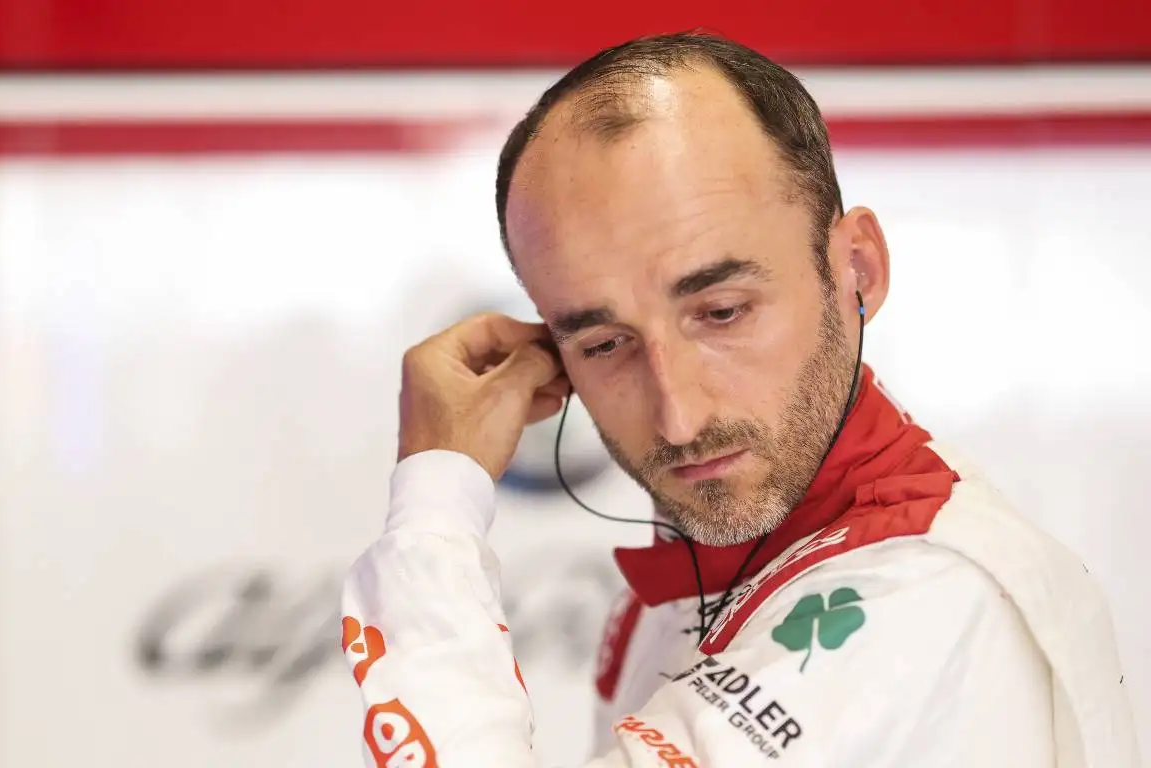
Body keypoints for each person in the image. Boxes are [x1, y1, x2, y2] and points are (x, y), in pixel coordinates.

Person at [339, 32, 1139, 766]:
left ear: (856, 269)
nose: (679, 417)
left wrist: (436, 500)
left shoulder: (931, 599)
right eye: (605, 343)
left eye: (721, 312)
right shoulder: (724, 548)